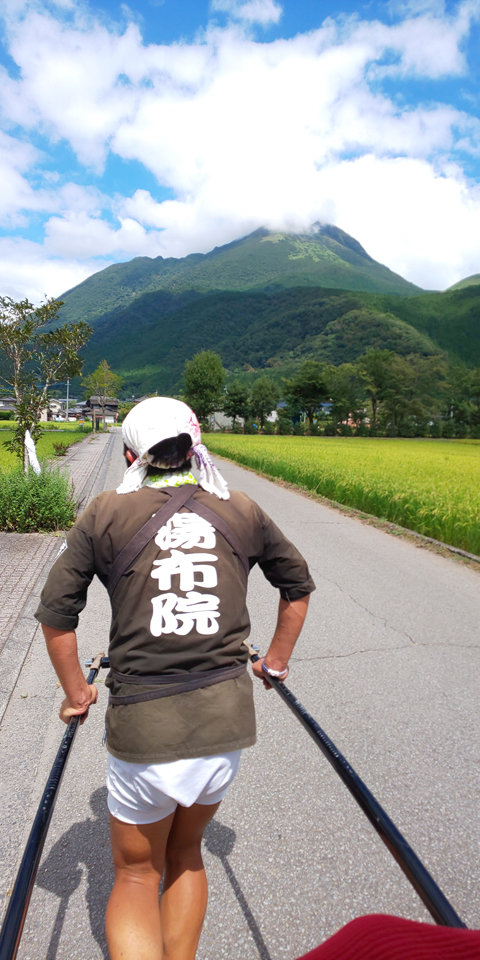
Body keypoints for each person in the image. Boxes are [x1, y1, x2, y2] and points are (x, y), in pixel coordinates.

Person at [35, 396, 315, 960]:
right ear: (195, 450)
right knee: (187, 855)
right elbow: (297, 585)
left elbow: (56, 614)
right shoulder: (240, 507)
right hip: (225, 723)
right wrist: (274, 662)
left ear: (131, 455)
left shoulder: (105, 512)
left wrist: (77, 693)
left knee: (137, 875)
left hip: (144, 724)